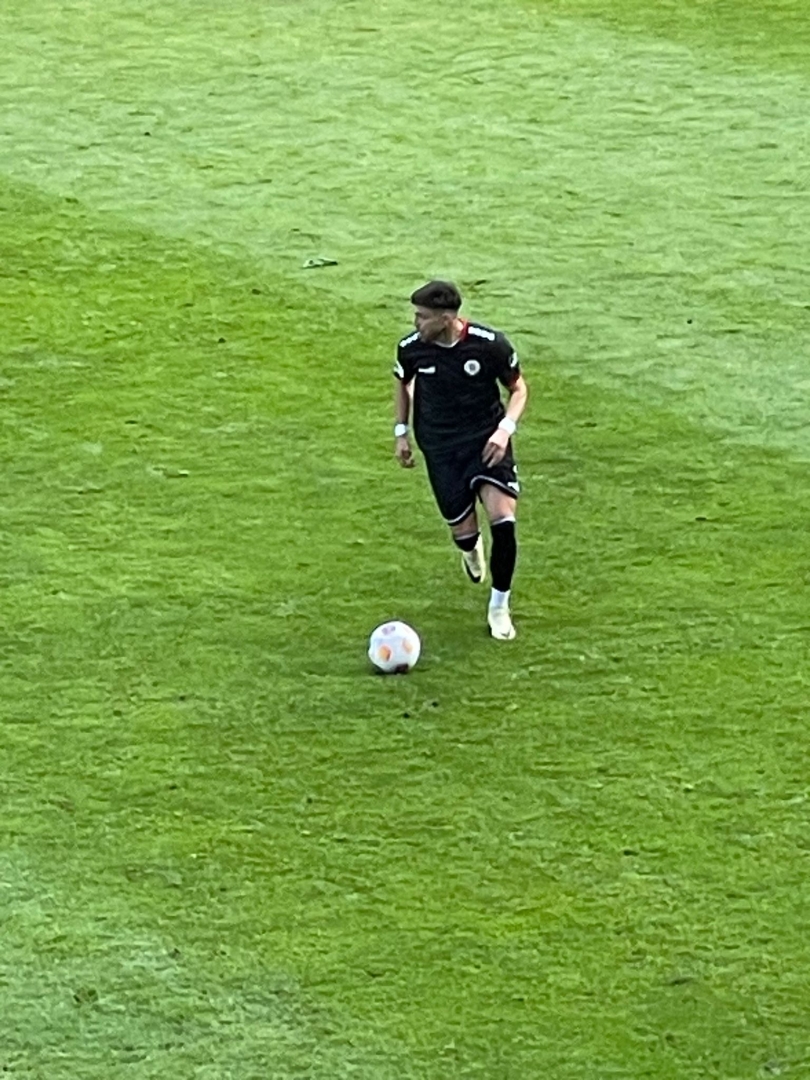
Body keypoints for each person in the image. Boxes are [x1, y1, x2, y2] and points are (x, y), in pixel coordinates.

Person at [393, 280, 528, 640]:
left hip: (486, 441)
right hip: (440, 447)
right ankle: (470, 549)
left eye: (422, 316)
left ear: (446, 318)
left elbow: (518, 389)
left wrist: (505, 430)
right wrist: (401, 432)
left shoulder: (489, 345)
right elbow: (402, 382)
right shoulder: (411, 349)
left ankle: (499, 607)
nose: (416, 322)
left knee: (503, 519)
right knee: (464, 534)